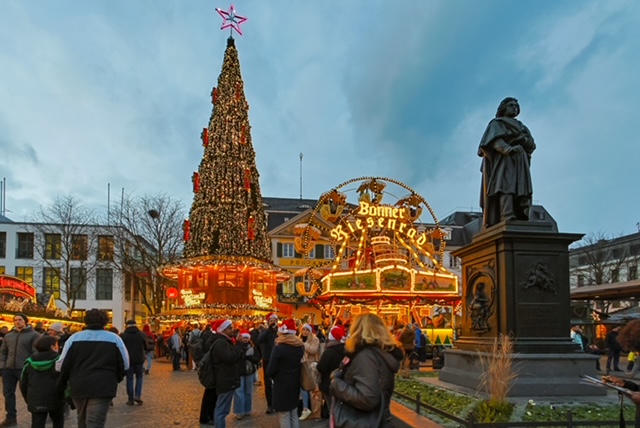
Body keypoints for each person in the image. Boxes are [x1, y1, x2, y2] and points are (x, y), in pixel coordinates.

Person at [57, 309, 129, 428]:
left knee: (81, 417)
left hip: (78, 383)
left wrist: (65, 381)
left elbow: (62, 364)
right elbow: (125, 364)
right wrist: (115, 378)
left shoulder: (74, 338)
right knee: (96, 421)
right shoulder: (114, 339)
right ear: (105, 321)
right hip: (104, 384)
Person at [330, 313, 402, 428]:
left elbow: (367, 398)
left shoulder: (366, 356)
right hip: (378, 421)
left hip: (362, 422)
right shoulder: (380, 355)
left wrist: (337, 384)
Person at [478, 97, 536, 228]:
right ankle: (506, 214)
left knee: (522, 188)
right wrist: (508, 149)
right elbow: (493, 142)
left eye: (516, 106)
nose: (514, 108)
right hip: (504, 161)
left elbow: (532, 144)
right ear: (503, 108)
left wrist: (524, 141)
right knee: (505, 186)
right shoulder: (496, 123)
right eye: (511, 105)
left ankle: (522, 215)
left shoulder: (522, 127)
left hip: (520, 161)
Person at [0, 312, 41, 426]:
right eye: (15, 320)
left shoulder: (34, 335)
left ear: (25, 321)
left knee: (28, 394)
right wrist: (3, 365)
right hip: (8, 369)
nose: (17, 322)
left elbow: (36, 352)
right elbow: (3, 351)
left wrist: (29, 364)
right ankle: (11, 417)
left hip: (24, 369)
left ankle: (36, 417)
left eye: (20, 320)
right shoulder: (8, 336)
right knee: (8, 393)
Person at [19, 335, 65, 428]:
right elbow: (65, 380)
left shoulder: (29, 362)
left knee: (37, 423)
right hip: (56, 398)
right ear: (52, 347)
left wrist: (28, 398)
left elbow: (23, 382)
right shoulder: (60, 361)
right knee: (58, 422)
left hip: (35, 398)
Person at [267, 319, 305, 428]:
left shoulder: (278, 348)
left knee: (284, 414)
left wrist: (272, 376)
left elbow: (271, 369)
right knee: (293, 412)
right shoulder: (299, 346)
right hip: (295, 382)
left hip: (281, 384)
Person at [210, 319, 242, 428]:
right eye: (230, 328)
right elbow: (230, 357)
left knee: (222, 409)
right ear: (223, 330)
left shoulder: (225, 341)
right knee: (221, 410)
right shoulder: (221, 343)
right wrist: (238, 346)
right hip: (225, 379)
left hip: (227, 379)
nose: (232, 330)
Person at [316, 325, 346, 419]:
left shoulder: (329, 352)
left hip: (328, 384)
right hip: (343, 384)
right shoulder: (347, 351)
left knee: (332, 409)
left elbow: (321, 367)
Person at [233, 330, 261, 420]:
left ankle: (247, 409)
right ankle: (239, 411)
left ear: (249, 338)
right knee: (238, 392)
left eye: (246, 338)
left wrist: (250, 358)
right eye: (243, 338)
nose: (245, 339)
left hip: (249, 372)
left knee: (248, 392)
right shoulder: (237, 346)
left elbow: (257, 358)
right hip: (239, 372)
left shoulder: (253, 347)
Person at [120, 319, 147, 405]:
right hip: (139, 359)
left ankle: (130, 399)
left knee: (129, 379)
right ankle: (137, 395)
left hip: (128, 360)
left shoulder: (123, 335)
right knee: (139, 378)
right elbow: (146, 346)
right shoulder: (141, 334)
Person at [257, 312, 279, 414]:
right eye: (271, 321)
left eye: (274, 321)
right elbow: (259, 340)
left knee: (278, 382)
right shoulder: (266, 332)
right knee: (268, 383)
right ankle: (270, 404)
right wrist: (269, 329)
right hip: (267, 359)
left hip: (278, 359)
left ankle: (278, 402)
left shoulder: (280, 332)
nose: (273, 322)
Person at [299, 323, 320, 421]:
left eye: (307, 330)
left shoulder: (315, 339)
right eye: (303, 329)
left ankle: (314, 411)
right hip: (301, 365)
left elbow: (313, 350)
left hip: (310, 366)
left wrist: (304, 344)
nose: (305, 332)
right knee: (303, 388)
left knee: (312, 388)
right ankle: (305, 408)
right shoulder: (298, 338)